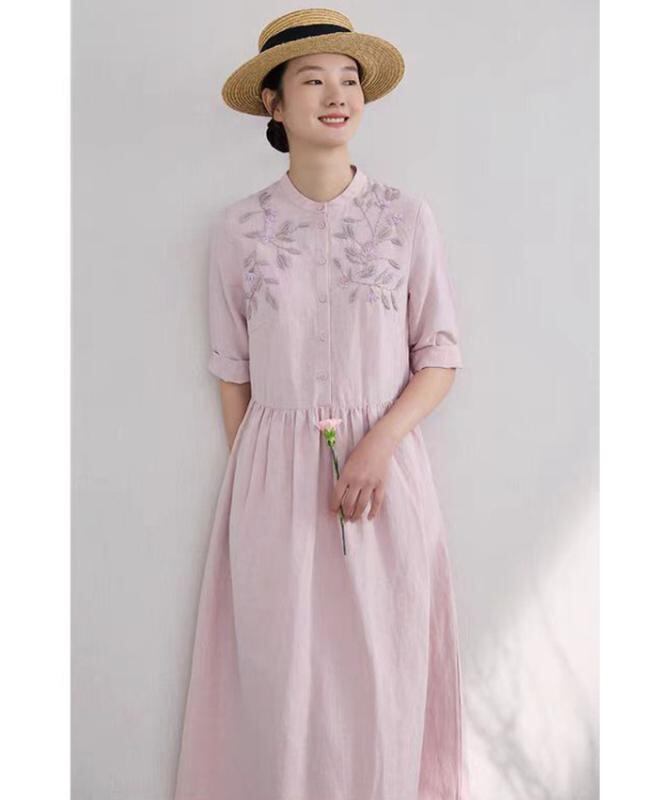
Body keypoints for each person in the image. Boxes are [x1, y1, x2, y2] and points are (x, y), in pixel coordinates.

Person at [174, 8, 468, 799]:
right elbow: (231, 371)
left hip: (387, 477)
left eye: (349, 80)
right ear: (273, 103)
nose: (338, 96)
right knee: (280, 683)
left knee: (387, 670)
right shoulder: (238, 230)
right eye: (313, 81)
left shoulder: (406, 218)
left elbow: (439, 357)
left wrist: (379, 445)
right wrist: (260, 479)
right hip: (271, 480)